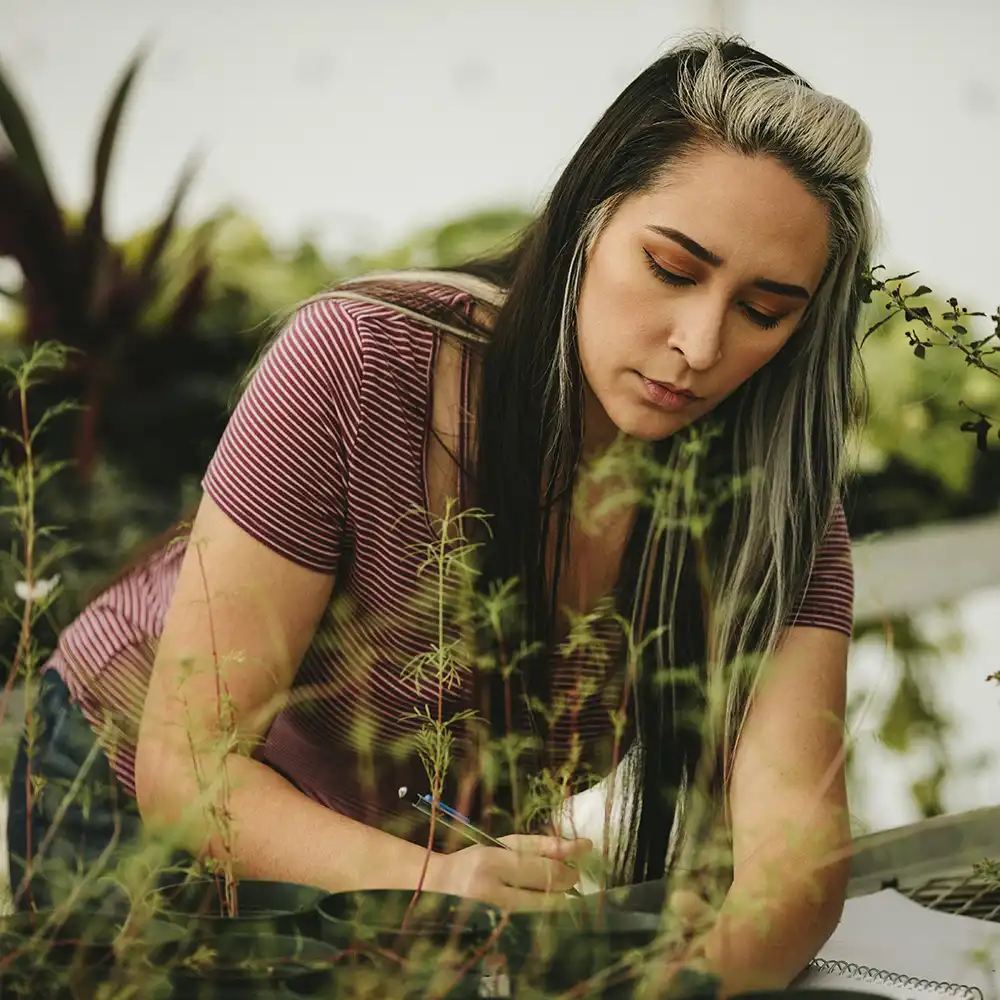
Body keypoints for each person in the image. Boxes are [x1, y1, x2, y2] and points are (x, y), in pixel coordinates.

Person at [6, 32, 874, 995]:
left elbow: (796, 868)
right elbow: (186, 764)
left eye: (764, 309)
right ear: (589, 217)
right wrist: (435, 883)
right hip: (126, 791)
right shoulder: (365, 365)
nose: (700, 344)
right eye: (672, 269)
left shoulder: (771, 507)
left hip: (411, 853)